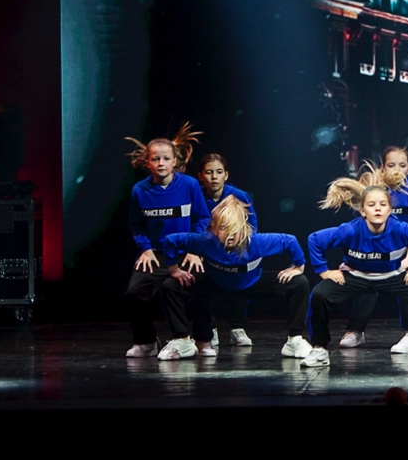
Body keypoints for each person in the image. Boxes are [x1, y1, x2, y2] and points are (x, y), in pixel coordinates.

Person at [301, 171, 408, 368]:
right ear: (363, 211)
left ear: (389, 210)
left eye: (382, 205)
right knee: (319, 294)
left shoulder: (400, 229)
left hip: (391, 276)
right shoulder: (350, 230)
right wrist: (324, 271)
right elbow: (314, 240)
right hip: (356, 276)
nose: (377, 209)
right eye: (371, 205)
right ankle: (319, 349)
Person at [161, 197, 312, 359]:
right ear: (214, 229)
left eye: (235, 228)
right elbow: (171, 240)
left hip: (251, 283)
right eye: (223, 228)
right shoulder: (204, 241)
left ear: (244, 228)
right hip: (217, 283)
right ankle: (183, 341)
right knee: (170, 285)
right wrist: (174, 269)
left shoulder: (256, 242)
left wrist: (299, 266)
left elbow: (290, 241)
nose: (230, 235)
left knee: (299, 282)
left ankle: (294, 340)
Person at [122, 123, 212, 359]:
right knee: (134, 292)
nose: (161, 163)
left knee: (198, 287)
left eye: (166, 159)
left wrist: (194, 249)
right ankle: (147, 342)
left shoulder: (190, 185)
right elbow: (136, 225)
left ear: (175, 162)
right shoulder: (139, 190)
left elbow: (202, 218)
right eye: (155, 159)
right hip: (157, 253)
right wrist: (145, 249)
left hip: (186, 251)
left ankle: (203, 340)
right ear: (147, 162)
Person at [339, 146, 408, 350]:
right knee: (366, 278)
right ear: (382, 167)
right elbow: (360, 226)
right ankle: (355, 330)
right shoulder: (374, 192)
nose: (396, 169)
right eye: (391, 165)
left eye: (402, 165)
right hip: (378, 249)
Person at [196, 153, 257, 348]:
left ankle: (237, 327)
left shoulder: (238, 196)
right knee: (201, 280)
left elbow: (252, 226)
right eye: (209, 172)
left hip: (233, 250)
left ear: (226, 175)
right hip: (205, 252)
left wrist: (241, 248)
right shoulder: (196, 195)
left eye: (219, 172)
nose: (214, 177)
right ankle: (210, 328)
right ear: (201, 176)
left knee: (240, 274)